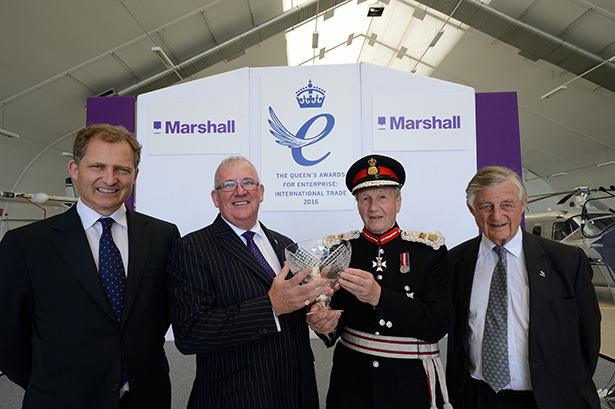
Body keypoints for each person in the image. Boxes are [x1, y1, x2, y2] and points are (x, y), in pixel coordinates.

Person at [0, 124, 180, 409]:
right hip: (63, 401)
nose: (110, 179)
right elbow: (8, 339)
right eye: (97, 166)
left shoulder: (163, 236)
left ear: (135, 174)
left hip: (146, 398)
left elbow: (163, 315)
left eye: (122, 169)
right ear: (75, 169)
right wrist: (50, 386)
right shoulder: (26, 245)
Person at [167, 156, 330, 409]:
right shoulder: (191, 248)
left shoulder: (285, 244)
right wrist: (271, 306)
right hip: (237, 399)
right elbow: (190, 334)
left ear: (261, 192)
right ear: (215, 197)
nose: (240, 191)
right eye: (229, 184)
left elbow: (296, 310)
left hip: (297, 395)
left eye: (248, 183)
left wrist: (319, 317)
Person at [446, 165, 601, 409]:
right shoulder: (454, 262)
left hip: (551, 399)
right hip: (478, 398)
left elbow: (588, 340)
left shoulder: (567, 261)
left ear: (523, 204)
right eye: (486, 206)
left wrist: (570, 388)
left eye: (507, 204)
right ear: (472, 210)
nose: (497, 216)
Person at [308, 154, 454, 409]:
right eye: (365, 199)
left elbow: (439, 323)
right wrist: (324, 323)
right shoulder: (340, 250)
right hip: (351, 386)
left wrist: (379, 297)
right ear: (357, 204)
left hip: (408, 388)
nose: (373, 207)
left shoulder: (429, 252)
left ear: (398, 202)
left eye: (382, 197)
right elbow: (333, 318)